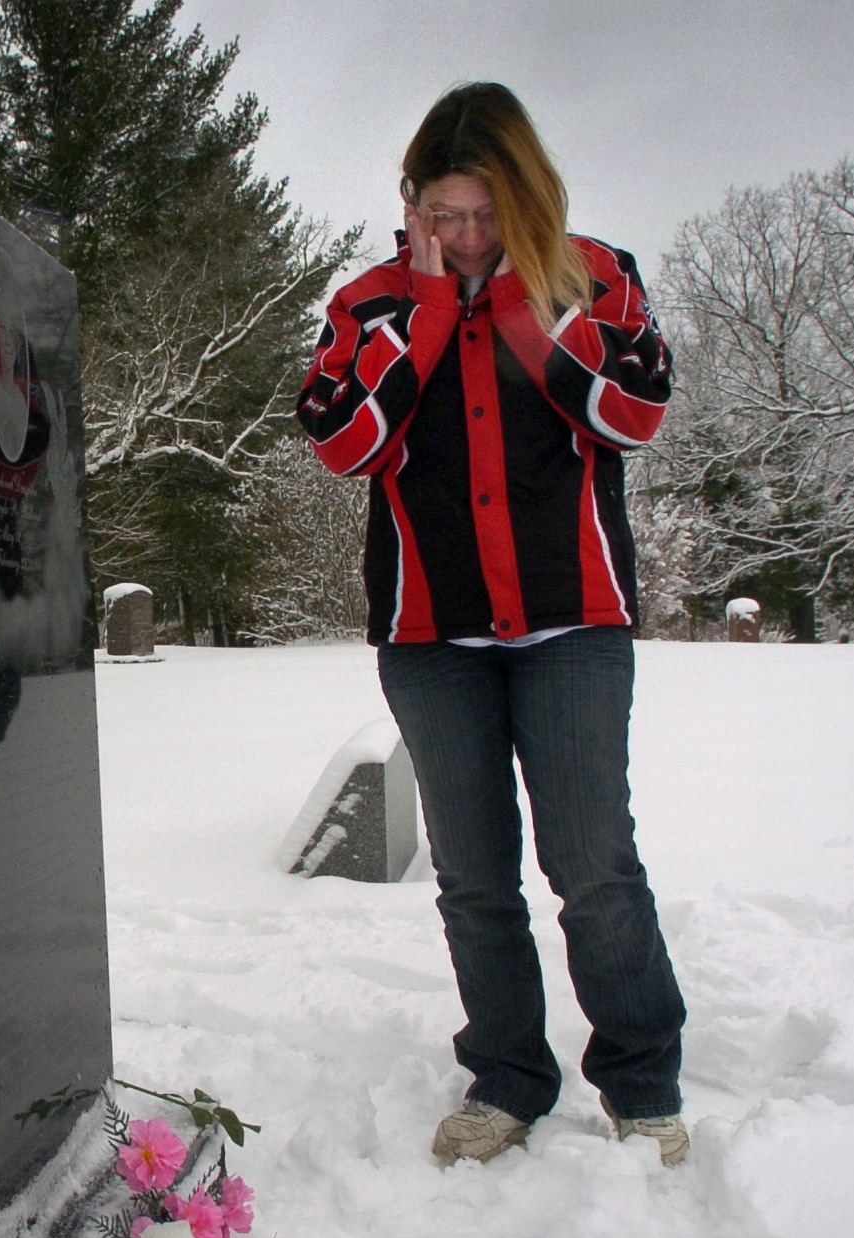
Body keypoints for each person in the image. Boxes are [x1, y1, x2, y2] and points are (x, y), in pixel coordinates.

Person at [295, 83, 688, 1167]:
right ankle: (506, 1078)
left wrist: (519, 301)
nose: (464, 236)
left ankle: (641, 1076)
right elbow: (342, 445)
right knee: (473, 876)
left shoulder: (593, 276)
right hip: (430, 635)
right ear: (412, 204)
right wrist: (423, 312)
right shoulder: (367, 302)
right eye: (443, 215)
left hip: (571, 620)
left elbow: (631, 413)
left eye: (483, 214)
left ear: (521, 197)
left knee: (591, 860)